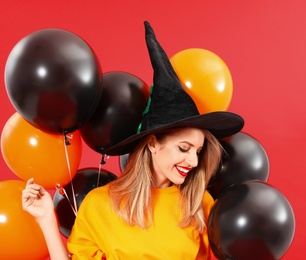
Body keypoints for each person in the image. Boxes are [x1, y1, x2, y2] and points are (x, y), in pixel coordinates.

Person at [22, 21, 244, 259]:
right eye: (184, 148)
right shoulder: (100, 204)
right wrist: (46, 218)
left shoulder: (200, 203)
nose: (193, 160)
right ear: (152, 143)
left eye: (198, 151)